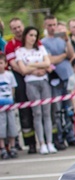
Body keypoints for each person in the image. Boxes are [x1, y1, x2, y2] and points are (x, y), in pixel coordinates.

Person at [15, 26, 56, 154]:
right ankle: (42, 143)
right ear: (25, 36)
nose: (33, 38)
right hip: (31, 83)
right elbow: (23, 70)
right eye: (30, 35)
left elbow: (47, 63)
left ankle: (50, 142)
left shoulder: (41, 48)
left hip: (43, 82)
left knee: (47, 113)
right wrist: (37, 68)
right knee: (37, 113)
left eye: (35, 35)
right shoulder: (20, 51)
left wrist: (31, 65)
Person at [42, 15, 75, 150]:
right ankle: (59, 138)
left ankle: (71, 136)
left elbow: (71, 54)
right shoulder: (43, 42)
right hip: (55, 79)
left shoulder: (62, 40)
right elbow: (50, 60)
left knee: (69, 109)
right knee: (57, 110)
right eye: (49, 25)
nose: (52, 27)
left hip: (68, 76)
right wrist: (63, 55)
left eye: (54, 24)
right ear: (45, 26)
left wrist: (67, 42)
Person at [5, 18, 36, 152]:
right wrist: (26, 71)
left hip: (35, 77)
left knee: (39, 110)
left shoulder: (31, 39)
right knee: (25, 111)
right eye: (14, 28)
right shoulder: (10, 45)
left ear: (23, 26)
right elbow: (13, 64)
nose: (18, 30)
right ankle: (30, 143)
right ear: (11, 30)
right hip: (20, 79)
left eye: (19, 27)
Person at [0, 53, 18, 159]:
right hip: (0, 106)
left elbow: (13, 88)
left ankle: (12, 146)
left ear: (5, 63)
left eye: (1, 63)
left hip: (9, 104)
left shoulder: (9, 75)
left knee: (12, 126)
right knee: (1, 127)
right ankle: (2, 147)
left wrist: (12, 98)